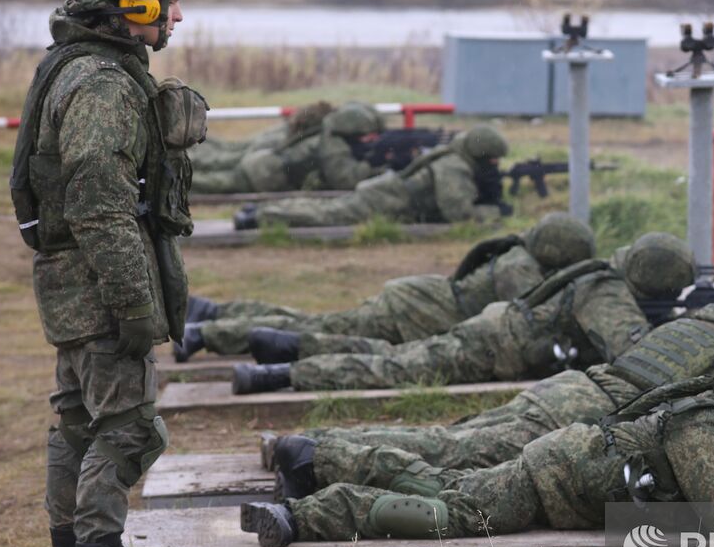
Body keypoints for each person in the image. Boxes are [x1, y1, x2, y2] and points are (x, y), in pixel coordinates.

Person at [10, 0, 200, 547]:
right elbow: (100, 208)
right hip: (100, 287)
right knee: (126, 429)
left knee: (79, 425)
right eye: (168, 1)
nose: (176, 15)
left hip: (71, 285)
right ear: (137, 6)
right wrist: (135, 308)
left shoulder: (75, 63)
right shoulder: (102, 84)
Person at [240, 352, 714, 547]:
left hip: (566, 464)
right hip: (553, 480)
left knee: (436, 480)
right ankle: (303, 514)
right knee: (443, 512)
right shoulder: (707, 431)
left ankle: (308, 457)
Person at [265, 287, 714, 476]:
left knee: (449, 440)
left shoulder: (694, 325)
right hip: (577, 414)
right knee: (454, 454)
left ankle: (317, 450)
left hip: (571, 388)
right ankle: (315, 454)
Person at [230, 232, 697, 394]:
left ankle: (288, 348)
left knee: (398, 356)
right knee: (394, 368)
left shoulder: (603, 273)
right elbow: (633, 353)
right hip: (492, 347)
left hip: (493, 330)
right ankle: (280, 376)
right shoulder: (608, 291)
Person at [172, 212, 596, 361]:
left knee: (313, 321)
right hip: (415, 312)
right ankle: (208, 332)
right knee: (317, 329)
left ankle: (211, 316)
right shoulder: (520, 270)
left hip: (418, 302)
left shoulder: (520, 255)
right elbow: (520, 326)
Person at [233, 125, 510, 230]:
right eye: (492, 160)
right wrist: (493, 211)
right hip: (385, 199)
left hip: (386, 194)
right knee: (326, 215)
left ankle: (260, 212)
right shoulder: (454, 167)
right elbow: (458, 213)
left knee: (326, 210)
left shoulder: (455, 158)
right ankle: (259, 217)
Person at [189, 101, 387, 195]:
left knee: (209, 168)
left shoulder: (324, 135)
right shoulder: (330, 144)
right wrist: (376, 169)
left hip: (262, 166)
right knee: (202, 181)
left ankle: (177, 163)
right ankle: (169, 172)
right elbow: (343, 177)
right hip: (262, 174)